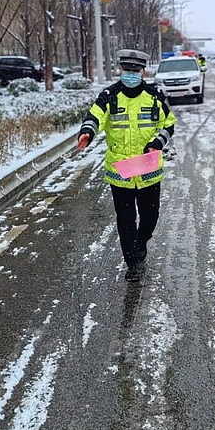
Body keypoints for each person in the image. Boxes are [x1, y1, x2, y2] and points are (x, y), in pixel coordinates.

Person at [76, 49, 176, 283]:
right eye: (127, 70)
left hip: (147, 168)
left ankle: (140, 243)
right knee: (125, 219)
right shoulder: (109, 96)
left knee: (150, 216)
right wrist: (87, 132)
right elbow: (94, 116)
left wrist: (157, 142)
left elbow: (169, 123)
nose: (131, 74)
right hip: (121, 171)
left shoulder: (155, 96)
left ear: (143, 72)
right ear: (120, 70)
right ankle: (132, 263)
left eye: (135, 70)